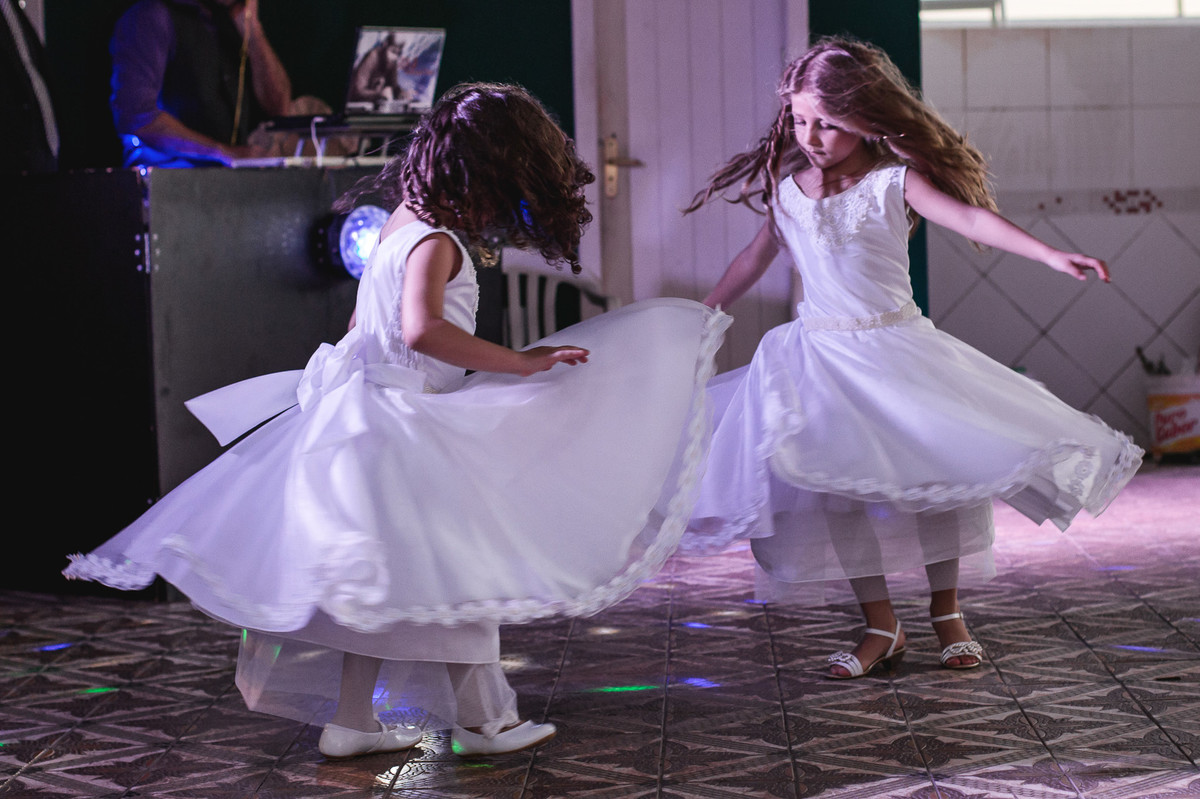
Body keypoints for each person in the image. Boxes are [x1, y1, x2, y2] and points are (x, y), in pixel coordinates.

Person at [66, 83, 729, 757]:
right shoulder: (439, 242)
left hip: (368, 420)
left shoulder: (399, 222)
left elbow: (362, 323)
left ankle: (354, 720)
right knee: (459, 575)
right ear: (484, 176)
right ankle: (486, 720)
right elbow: (421, 332)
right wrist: (518, 363)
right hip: (407, 423)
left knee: (389, 589)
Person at [682, 37, 1143, 680]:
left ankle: (947, 613)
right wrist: (706, 313)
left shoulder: (891, 182)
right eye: (799, 119)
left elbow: (972, 220)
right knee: (835, 489)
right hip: (818, 360)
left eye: (829, 123)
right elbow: (755, 257)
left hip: (897, 350)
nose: (810, 135)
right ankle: (881, 622)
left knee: (935, 484)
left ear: (867, 119)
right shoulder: (790, 190)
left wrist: (1050, 255)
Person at [110, 0, 292, 166]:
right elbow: (137, 117)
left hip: (228, 189)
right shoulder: (152, 16)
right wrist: (223, 152)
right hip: (170, 189)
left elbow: (280, 109)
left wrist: (253, 30)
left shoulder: (231, 22)